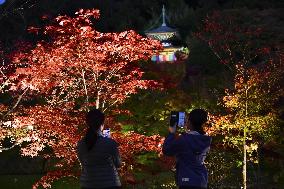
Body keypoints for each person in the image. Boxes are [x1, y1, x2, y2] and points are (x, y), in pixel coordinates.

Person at [162, 109, 212, 189]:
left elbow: (167, 150)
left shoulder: (184, 139)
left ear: (190, 121)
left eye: (188, 119)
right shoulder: (205, 140)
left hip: (187, 180)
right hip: (201, 180)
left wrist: (171, 133)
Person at [77, 109, 122, 189]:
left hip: (87, 184)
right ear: (102, 123)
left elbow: (83, 163)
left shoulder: (80, 144)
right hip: (110, 184)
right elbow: (118, 164)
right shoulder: (110, 143)